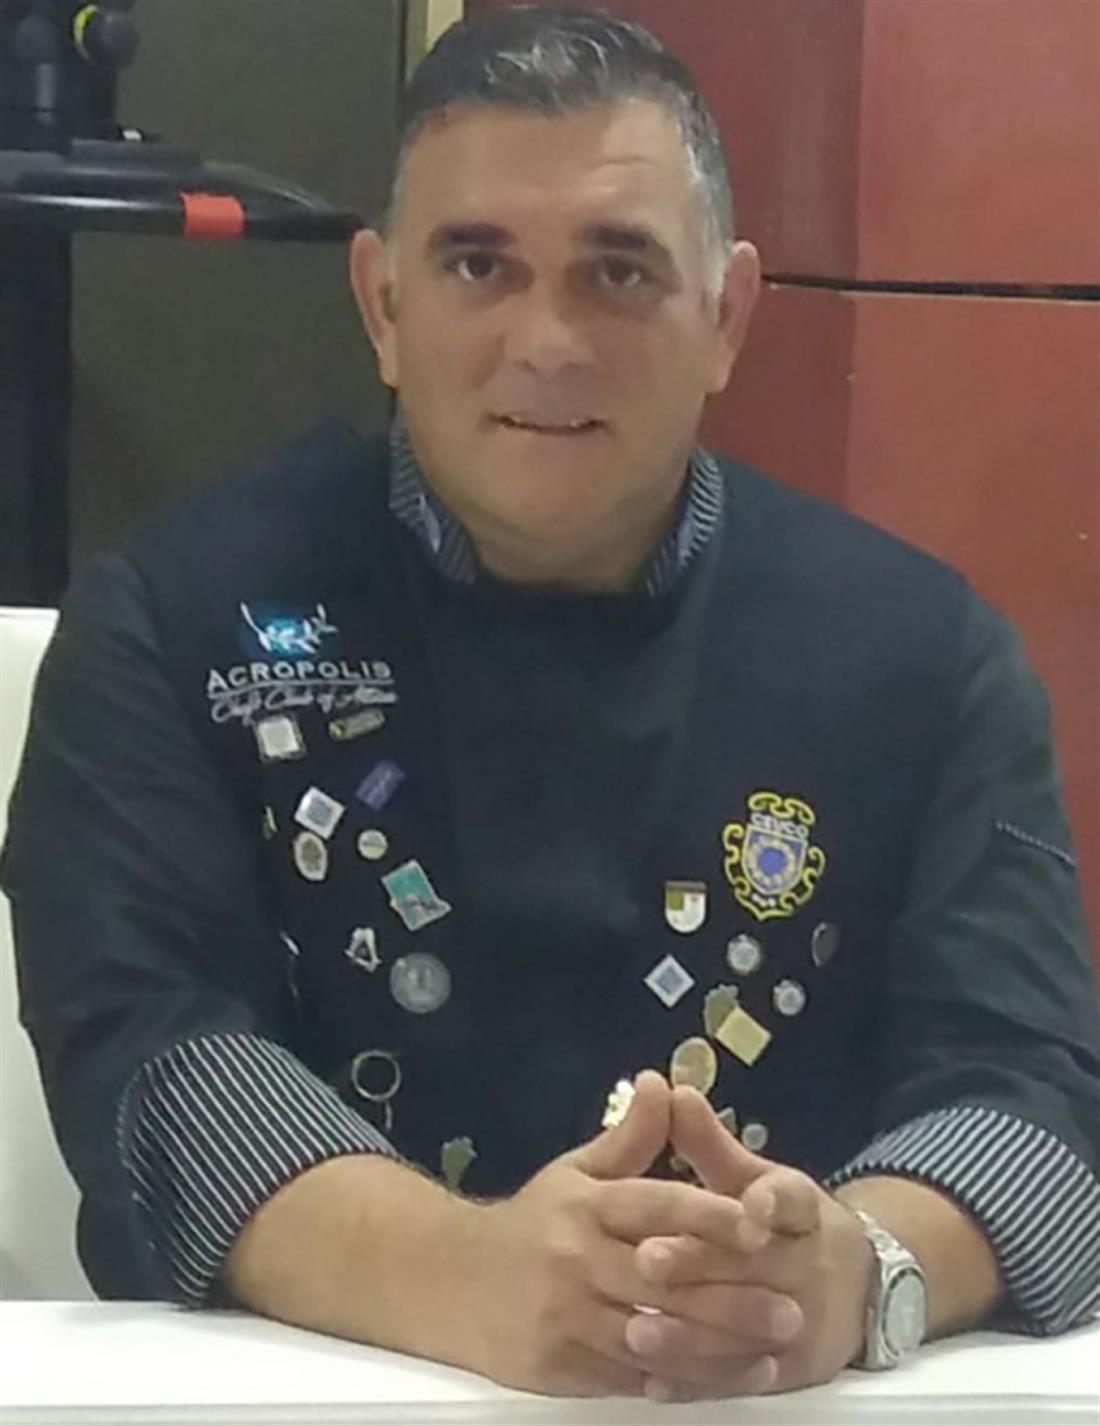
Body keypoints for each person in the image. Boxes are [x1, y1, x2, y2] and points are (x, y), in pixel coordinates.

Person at [3, 4, 1098, 1405]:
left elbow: (1033, 1101)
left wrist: (851, 1274)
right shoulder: (171, 624)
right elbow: (152, 1061)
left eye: (618, 271)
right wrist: (465, 1274)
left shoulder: (925, 660)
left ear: (726, 316)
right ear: (381, 304)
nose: (549, 340)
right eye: (478, 265)